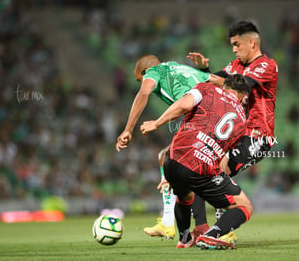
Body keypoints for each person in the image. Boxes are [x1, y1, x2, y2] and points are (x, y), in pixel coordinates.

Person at [187, 20, 278, 241]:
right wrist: (203, 71)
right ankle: (203, 228)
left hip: (257, 135)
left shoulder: (266, 65)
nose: (234, 49)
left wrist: (208, 77)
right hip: (233, 134)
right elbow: (216, 80)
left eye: (237, 44)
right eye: (232, 45)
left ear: (252, 42)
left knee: (219, 169)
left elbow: (239, 85)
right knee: (198, 168)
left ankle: (221, 231)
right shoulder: (235, 66)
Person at [116, 54, 224, 239]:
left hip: (201, 118)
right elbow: (220, 81)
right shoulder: (183, 68)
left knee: (171, 160)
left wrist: (128, 129)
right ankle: (184, 224)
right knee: (179, 161)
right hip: (219, 118)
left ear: (144, 72)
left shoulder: (154, 71)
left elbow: (143, 93)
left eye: (139, 79)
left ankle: (175, 224)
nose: (141, 83)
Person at [140, 74, 252, 249]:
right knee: (244, 206)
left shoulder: (206, 88)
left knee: (184, 196)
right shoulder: (242, 120)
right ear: (243, 96)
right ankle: (210, 235)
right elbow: (221, 154)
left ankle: (184, 238)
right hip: (201, 167)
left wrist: (156, 123)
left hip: (174, 159)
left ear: (225, 87)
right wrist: (220, 179)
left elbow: (184, 105)